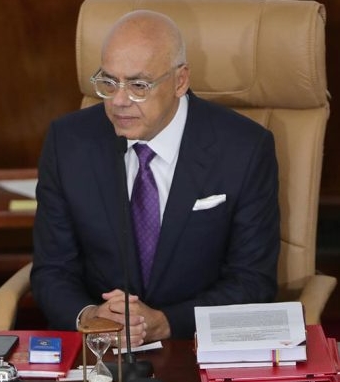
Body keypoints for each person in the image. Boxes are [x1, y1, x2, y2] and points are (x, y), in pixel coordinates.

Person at [30, 10, 279, 344]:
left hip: (196, 345)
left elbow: (253, 280)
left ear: (180, 81)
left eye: (138, 85)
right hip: (101, 349)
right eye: (108, 82)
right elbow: (52, 269)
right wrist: (90, 317)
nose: (119, 101)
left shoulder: (244, 148)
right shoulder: (68, 142)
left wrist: (165, 323)